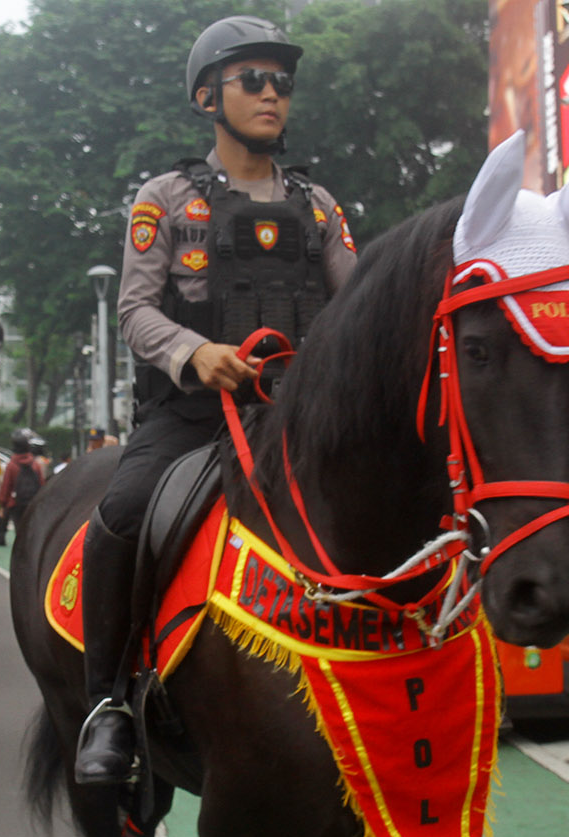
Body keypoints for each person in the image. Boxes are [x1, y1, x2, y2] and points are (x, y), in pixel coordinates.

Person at [75, 15, 358, 784]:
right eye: (253, 80)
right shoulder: (165, 199)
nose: (272, 95)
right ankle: (107, 704)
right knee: (120, 515)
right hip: (194, 416)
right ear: (208, 97)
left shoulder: (321, 206)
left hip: (300, 419)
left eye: (282, 82)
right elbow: (136, 311)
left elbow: (356, 308)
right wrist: (195, 352)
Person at [0, 428, 46, 533]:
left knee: (19, 529)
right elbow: (42, 484)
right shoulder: (35, 464)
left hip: (17, 503)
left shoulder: (12, 465)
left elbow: (6, 486)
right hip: (32, 502)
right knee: (31, 529)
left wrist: (2, 504)